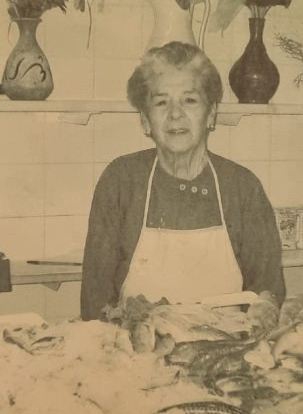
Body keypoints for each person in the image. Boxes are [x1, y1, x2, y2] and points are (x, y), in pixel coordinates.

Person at [80, 41, 286, 321]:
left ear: (211, 114)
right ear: (144, 120)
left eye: (190, 100)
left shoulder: (243, 187)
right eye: (161, 102)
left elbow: (267, 293)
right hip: (137, 353)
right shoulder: (121, 181)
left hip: (227, 350)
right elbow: (96, 300)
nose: (175, 114)